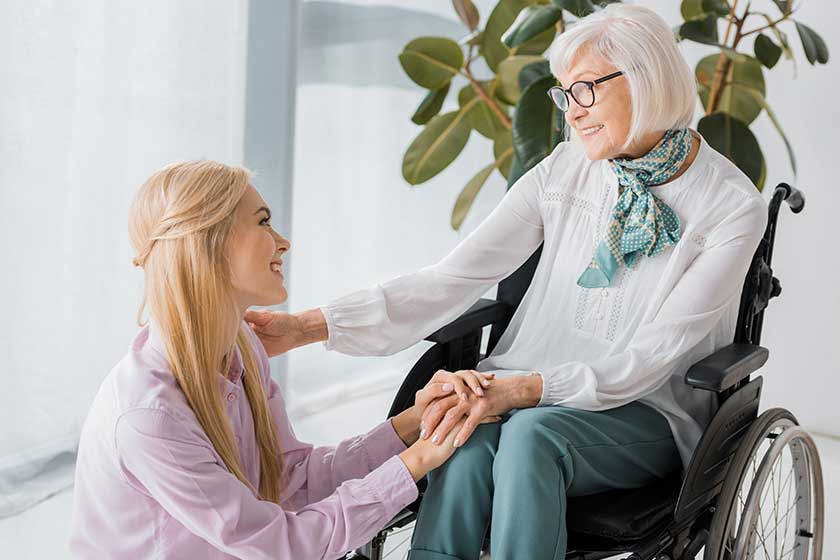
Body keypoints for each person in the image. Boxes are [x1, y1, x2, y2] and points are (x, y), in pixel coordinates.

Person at [245, 5, 769, 559]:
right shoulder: (565, 170)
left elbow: (650, 357)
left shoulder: (731, 207)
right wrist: (309, 327)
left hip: (650, 412)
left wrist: (519, 389)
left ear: (645, 79)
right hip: (526, 396)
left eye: (585, 90)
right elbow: (455, 277)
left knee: (530, 437)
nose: (573, 114)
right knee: (461, 439)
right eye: (565, 95)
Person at [68, 160, 499, 559]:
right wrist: (420, 459)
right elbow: (281, 546)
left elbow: (291, 478)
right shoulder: (150, 417)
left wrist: (414, 423)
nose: (283, 242)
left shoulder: (241, 352)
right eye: (263, 222)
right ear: (208, 245)